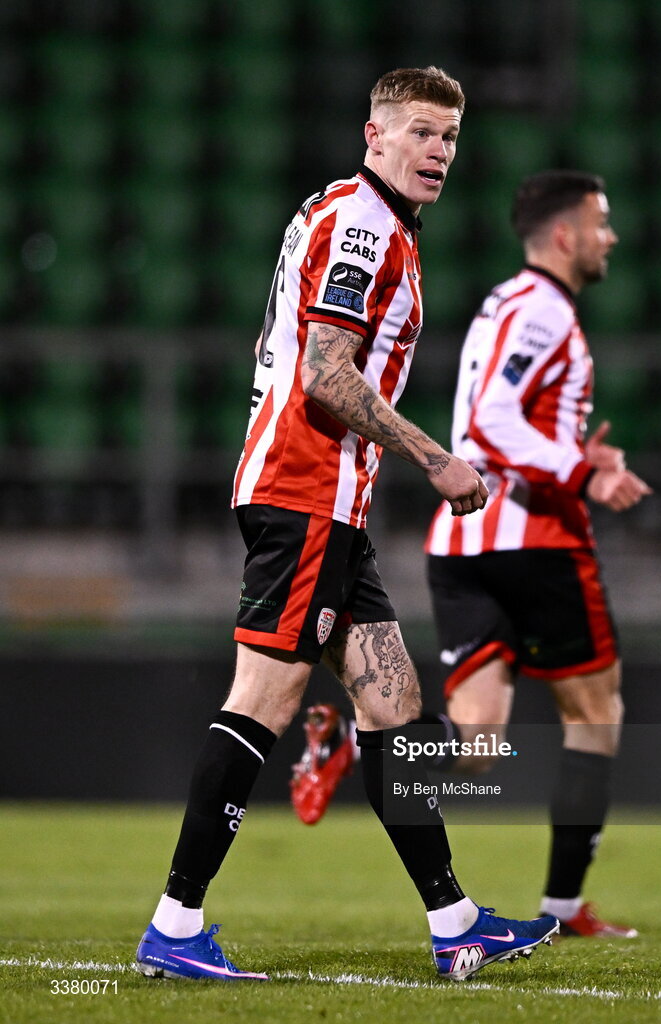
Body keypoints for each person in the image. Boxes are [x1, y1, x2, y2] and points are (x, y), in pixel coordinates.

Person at [134, 66, 558, 985]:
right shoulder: (365, 226)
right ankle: (175, 920)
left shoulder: (341, 216)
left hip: (328, 498)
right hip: (304, 490)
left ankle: (454, 923)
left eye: (448, 136)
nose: (436, 151)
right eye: (417, 131)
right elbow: (326, 373)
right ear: (373, 135)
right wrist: (434, 457)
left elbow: (277, 343)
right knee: (262, 700)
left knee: (395, 708)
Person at [295, 170, 650, 940]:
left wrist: (566, 450)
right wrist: (580, 470)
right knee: (596, 716)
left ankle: (359, 747)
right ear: (564, 235)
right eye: (601, 223)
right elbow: (491, 421)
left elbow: (500, 412)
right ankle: (562, 910)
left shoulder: (503, 304)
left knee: (479, 740)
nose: (609, 238)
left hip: (461, 543)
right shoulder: (543, 311)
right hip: (533, 540)